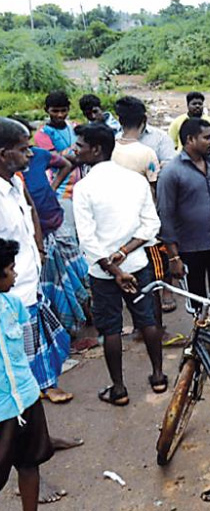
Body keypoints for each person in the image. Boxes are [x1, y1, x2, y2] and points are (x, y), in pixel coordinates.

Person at [71, 123, 164, 406]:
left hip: (103, 272)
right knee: (147, 319)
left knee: (110, 329)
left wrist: (114, 269)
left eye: (79, 146)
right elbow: (151, 225)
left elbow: (87, 239)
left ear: (96, 149)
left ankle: (119, 389)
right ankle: (158, 376)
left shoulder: (84, 187)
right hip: (136, 263)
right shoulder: (134, 180)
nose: (75, 150)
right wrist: (125, 254)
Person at [0, 118, 73, 405]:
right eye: (23, 149)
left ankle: (43, 389)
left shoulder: (16, 182)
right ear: (4, 154)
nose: (31, 154)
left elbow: (31, 212)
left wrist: (40, 250)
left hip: (31, 279)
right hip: (13, 292)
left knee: (43, 343)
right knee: (19, 360)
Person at [157, 118, 210, 329]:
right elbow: (165, 216)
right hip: (190, 248)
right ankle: (202, 342)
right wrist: (173, 256)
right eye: (206, 138)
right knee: (197, 299)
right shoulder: (171, 173)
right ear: (190, 139)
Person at [18, 118, 89, 339]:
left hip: (55, 221)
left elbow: (66, 163)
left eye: (28, 144)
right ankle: (68, 329)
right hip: (36, 234)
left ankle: (89, 318)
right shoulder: (13, 177)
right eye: (22, 148)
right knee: (53, 284)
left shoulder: (39, 155)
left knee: (78, 274)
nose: (28, 152)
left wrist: (53, 186)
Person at [0, 238, 56, 510]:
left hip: (27, 398)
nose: (15, 274)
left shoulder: (13, 305)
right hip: (1, 411)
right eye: (10, 269)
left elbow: (25, 349)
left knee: (30, 463)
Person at [115, 96, 176, 316]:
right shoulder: (144, 152)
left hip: (133, 213)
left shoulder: (114, 147)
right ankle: (154, 319)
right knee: (153, 260)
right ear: (144, 119)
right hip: (145, 212)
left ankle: (153, 304)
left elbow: (167, 169)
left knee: (145, 259)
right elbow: (156, 182)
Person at [32, 91, 81, 237]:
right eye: (55, 111)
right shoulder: (43, 133)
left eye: (63, 110)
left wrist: (70, 155)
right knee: (68, 230)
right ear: (46, 110)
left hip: (80, 186)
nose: (59, 115)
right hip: (60, 187)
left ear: (69, 109)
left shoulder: (74, 127)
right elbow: (55, 158)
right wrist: (77, 154)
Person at [112, 97, 160, 185]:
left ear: (120, 121)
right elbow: (154, 186)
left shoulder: (109, 148)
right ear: (144, 120)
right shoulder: (147, 154)